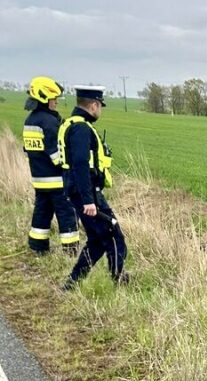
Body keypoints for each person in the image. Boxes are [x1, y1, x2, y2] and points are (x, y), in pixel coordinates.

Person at [59, 85, 128, 290]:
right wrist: (89, 200)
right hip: (87, 193)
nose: (101, 111)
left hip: (79, 191)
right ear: (94, 105)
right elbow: (80, 164)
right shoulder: (81, 128)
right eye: (100, 106)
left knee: (97, 241)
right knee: (115, 236)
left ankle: (71, 284)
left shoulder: (70, 123)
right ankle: (119, 282)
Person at [22, 76, 79, 254]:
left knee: (42, 213)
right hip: (56, 180)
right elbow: (57, 156)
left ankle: (38, 247)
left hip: (39, 179)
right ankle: (71, 251)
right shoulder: (49, 122)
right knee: (67, 213)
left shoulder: (30, 121)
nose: (56, 103)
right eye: (54, 99)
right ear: (45, 98)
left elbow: (29, 150)